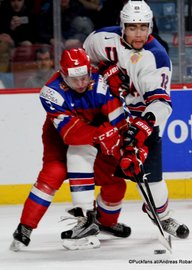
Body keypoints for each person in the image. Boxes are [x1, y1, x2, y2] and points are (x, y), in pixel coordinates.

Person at [83, 0, 190, 239]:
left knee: (151, 181)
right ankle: (89, 217)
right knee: (90, 168)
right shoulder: (99, 40)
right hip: (109, 116)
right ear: (122, 26)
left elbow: (162, 104)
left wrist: (142, 128)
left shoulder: (157, 58)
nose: (139, 33)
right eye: (132, 27)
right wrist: (103, 72)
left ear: (150, 26)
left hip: (143, 119)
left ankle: (161, 216)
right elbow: (82, 70)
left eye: (143, 27)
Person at [10, 48, 134, 252]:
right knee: (52, 175)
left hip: (98, 133)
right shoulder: (50, 92)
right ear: (62, 74)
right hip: (60, 138)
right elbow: (71, 134)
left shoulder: (100, 81)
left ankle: (104, 222)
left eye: (84, 77)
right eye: (74, 79)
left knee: (115, 182)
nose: (81, 83)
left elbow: (118, 118)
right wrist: (102, 134)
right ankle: (25, 227)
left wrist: (125, 141)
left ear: (89, 71)